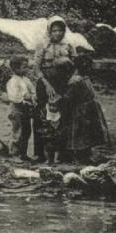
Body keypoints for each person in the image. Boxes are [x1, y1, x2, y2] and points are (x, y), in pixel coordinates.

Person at [32, 16, 77, 160]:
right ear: (49, 31)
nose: (58, 33)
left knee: (65, 114)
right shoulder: (42, 44)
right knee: (42, 115)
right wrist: (47, 85)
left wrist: (72, 79)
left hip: (64, 83)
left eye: (61, 30)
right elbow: (37, 69)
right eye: (55, 30)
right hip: (45, 82)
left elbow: (76, 65)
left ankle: (63, 152)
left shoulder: (69, 45)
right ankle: (40, 152)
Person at [61, 55, 110, 163]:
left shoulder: (84, 77)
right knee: (80, 132)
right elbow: (69, 97)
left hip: (90, 108)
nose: (90, 69)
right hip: (81, 110)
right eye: (88, 67)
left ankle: (87, 154)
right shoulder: (75, 80)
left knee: (88, 132)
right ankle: (78, 156)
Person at [6, 56, 36, 159]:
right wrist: (24, 99)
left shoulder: (26, 80)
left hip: (26, 109)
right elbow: (14, 97)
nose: (26, 69)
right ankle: (14, 153)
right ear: (15, 69)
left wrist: (32, 97)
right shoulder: (12, 82)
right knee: (18, 131)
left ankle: (23, 153)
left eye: (27, 67)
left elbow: (32, 91)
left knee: (26, 131)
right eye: (24, 67)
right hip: (17, 109)